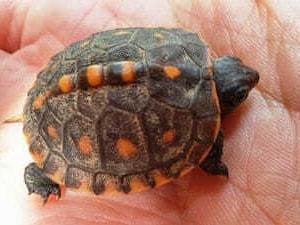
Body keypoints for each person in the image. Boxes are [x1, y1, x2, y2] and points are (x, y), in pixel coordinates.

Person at [0, 1, 299, 224]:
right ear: (227, 101)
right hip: (61, 105)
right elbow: (206, 153)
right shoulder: (199, 126)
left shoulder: (182, 47)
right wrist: (214, 158)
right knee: (46, 169)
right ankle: (41, 171)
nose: (250, 81)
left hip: (59, 73)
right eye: (240, 94)